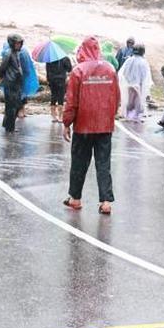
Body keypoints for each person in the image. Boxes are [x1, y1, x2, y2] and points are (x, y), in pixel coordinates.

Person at [62, 37, 121, 215]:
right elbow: (117, 98)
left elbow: (71, 101)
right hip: (104, 125)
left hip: (83, 125)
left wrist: (66, 123)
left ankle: (75, 198)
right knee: (104, 163)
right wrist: (111, 117)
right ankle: (105, 202)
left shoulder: (78, 71)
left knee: (79, 161)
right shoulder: (110, 69)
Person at [0, 34, 26, 133]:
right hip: (11, 84)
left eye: (20, 43)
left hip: (15, 84)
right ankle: (10, 128)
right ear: (12, 43)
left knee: (15, 106)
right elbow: (1, 69)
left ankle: (7, 125)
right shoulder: (9, 54)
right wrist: (5, 78)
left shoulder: (15, 53)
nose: (19, 45)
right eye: (17, 43)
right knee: (12, 107)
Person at [118, 43, 152, 123]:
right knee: (138, 100)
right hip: (138, 85)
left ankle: (128, 115)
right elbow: (145, 75)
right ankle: (135, 116)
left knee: (129, 100)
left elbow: (124, 72)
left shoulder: (129, 60)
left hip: (130, 84)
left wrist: (129, 81)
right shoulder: (143, 62)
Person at [46, 53, 73, 123]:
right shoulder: (64, 58)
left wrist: (48, 80)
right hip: (61, 80)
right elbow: (70, 69)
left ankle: (53, 116)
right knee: (60, 97)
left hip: (52, 80)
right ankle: (60, 116)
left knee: (53, 96)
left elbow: (47, 71)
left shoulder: (49, 59)